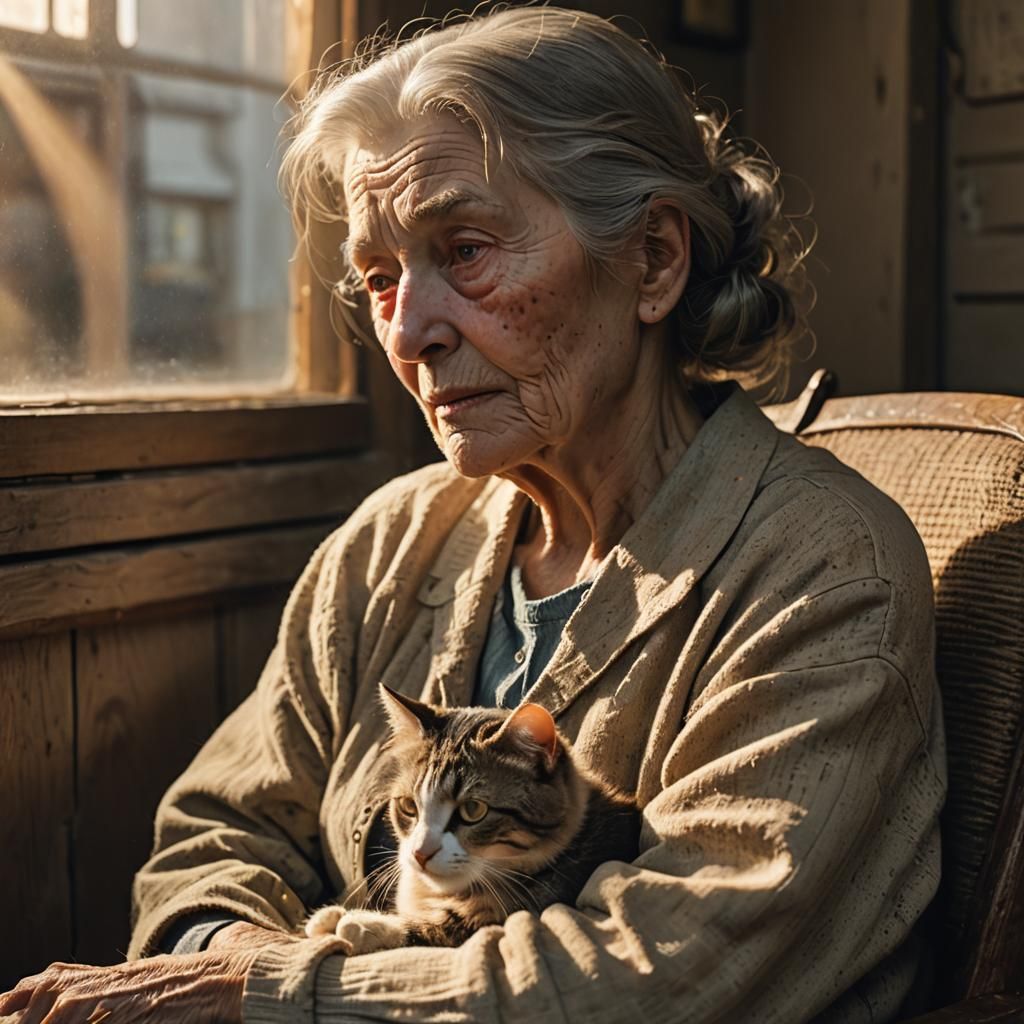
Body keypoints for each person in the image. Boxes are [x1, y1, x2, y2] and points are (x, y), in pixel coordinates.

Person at [0, 7, 945, 1022]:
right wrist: (217, 951)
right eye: (377, 277)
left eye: (465, 250)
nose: (408, 331)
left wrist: (265, 991)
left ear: (654, 262)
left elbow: (662, 976)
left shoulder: (825, 572)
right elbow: (217, 834)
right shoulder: (393, 540)